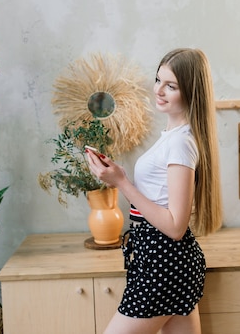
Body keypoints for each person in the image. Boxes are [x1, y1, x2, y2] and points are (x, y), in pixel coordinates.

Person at [86, 48, 223, 334]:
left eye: (170, 85)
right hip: (164, 262)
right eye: (158, 80)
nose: (158, 90)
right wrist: (119, 176)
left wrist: (122, 182)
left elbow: (175, 226)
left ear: (190, 92)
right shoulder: (173, 139)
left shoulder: (180, 144)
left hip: (165, 263)